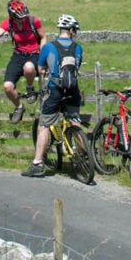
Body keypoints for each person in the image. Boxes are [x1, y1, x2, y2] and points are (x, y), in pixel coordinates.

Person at [22, 13, 83, 178]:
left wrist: (49, 69)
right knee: (74, 122)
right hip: (73, 90)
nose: (75, 32)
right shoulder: (78, 48)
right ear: (70, 30)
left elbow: (40, 70)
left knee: (43, 126)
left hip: (54, 89)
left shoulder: (48, 47)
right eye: (74, 30)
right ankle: (84, 157)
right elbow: (76, 67)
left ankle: (37, 164)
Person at [0, 0, 46, 123]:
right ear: (12, 16)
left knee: (29, 67)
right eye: (19, 17)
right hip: (18, 56)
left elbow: (43, 37)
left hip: (34, 55)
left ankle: (30, 88)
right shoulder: (8, 23)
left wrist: (43, 55)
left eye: (23, 16)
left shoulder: (33, 21)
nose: (22, 19)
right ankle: (19, 107)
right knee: (7, 87)